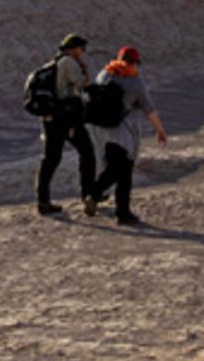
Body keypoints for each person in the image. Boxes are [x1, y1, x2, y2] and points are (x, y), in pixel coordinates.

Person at [84, 45, 168, 227]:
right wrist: (160, 130)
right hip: (122, 133)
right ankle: (120, 211)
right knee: (123, 172)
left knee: (115, 168)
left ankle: (99, 197)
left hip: (101, 130)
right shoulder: (134, 81)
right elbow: (149, 109)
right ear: (135, 62)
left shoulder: (104, 73)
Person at [35, 33, 96, 215]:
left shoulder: (53, 63)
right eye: (81, 49)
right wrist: (84, 72)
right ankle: (89, 194)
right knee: (87, 153)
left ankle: (43, 200)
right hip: (67, 118)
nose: (82, 52)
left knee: (51, 159)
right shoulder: (69, 63)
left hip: (50, 118)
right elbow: (81, 84)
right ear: (73, 48)